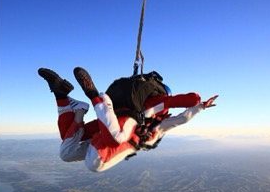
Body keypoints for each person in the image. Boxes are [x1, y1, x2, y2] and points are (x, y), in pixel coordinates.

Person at [38, 67, 217, 173]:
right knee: (98, 161)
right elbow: (181, 117)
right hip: (112, 128)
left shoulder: (155, 123)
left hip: (105, 127)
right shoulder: (152, 124)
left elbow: (181, 117)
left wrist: (199, 106)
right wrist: (199, 106)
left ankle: (62, 96)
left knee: (66, 152)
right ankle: (95, 97)